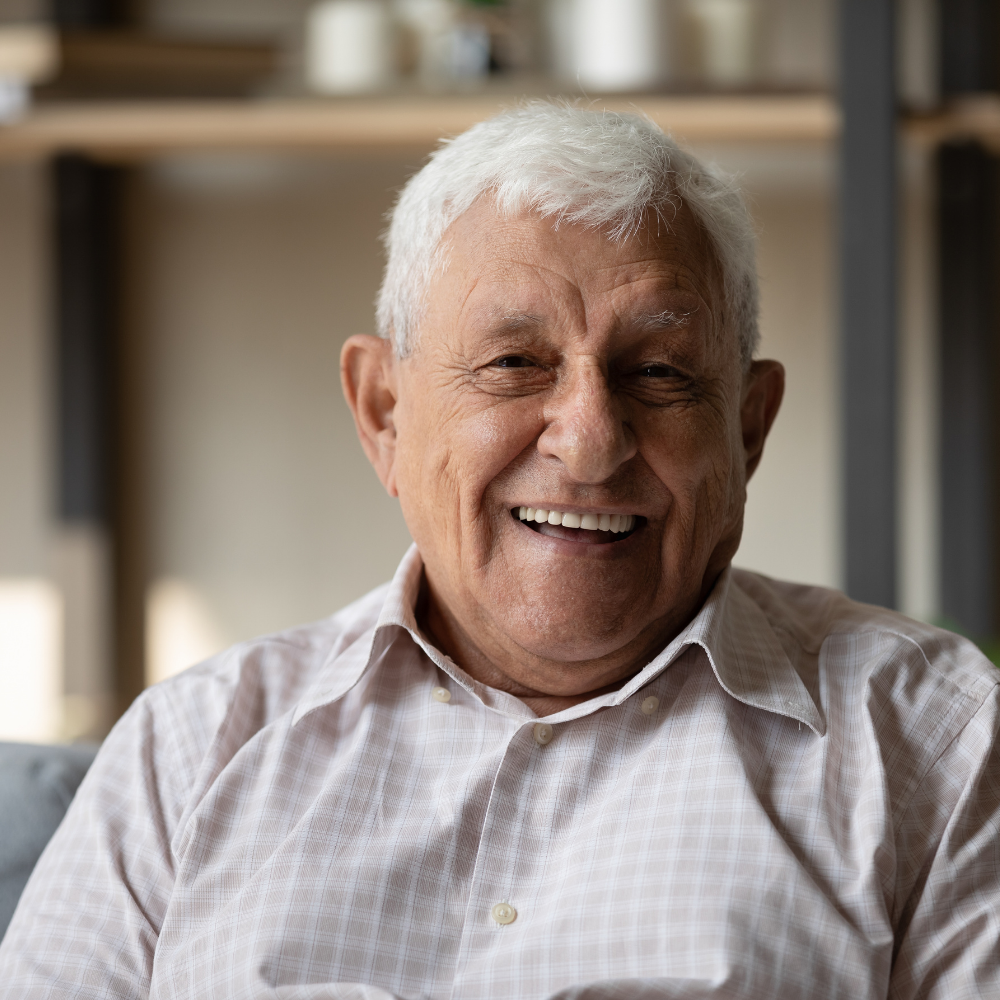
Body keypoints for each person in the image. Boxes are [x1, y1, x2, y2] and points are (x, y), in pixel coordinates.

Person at [1, 102, 997, 999]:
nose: (590, 438)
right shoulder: (189, 753)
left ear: (746, 424)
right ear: (383, 411)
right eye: (515, 363)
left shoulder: (932, 743)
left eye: (656, 372)